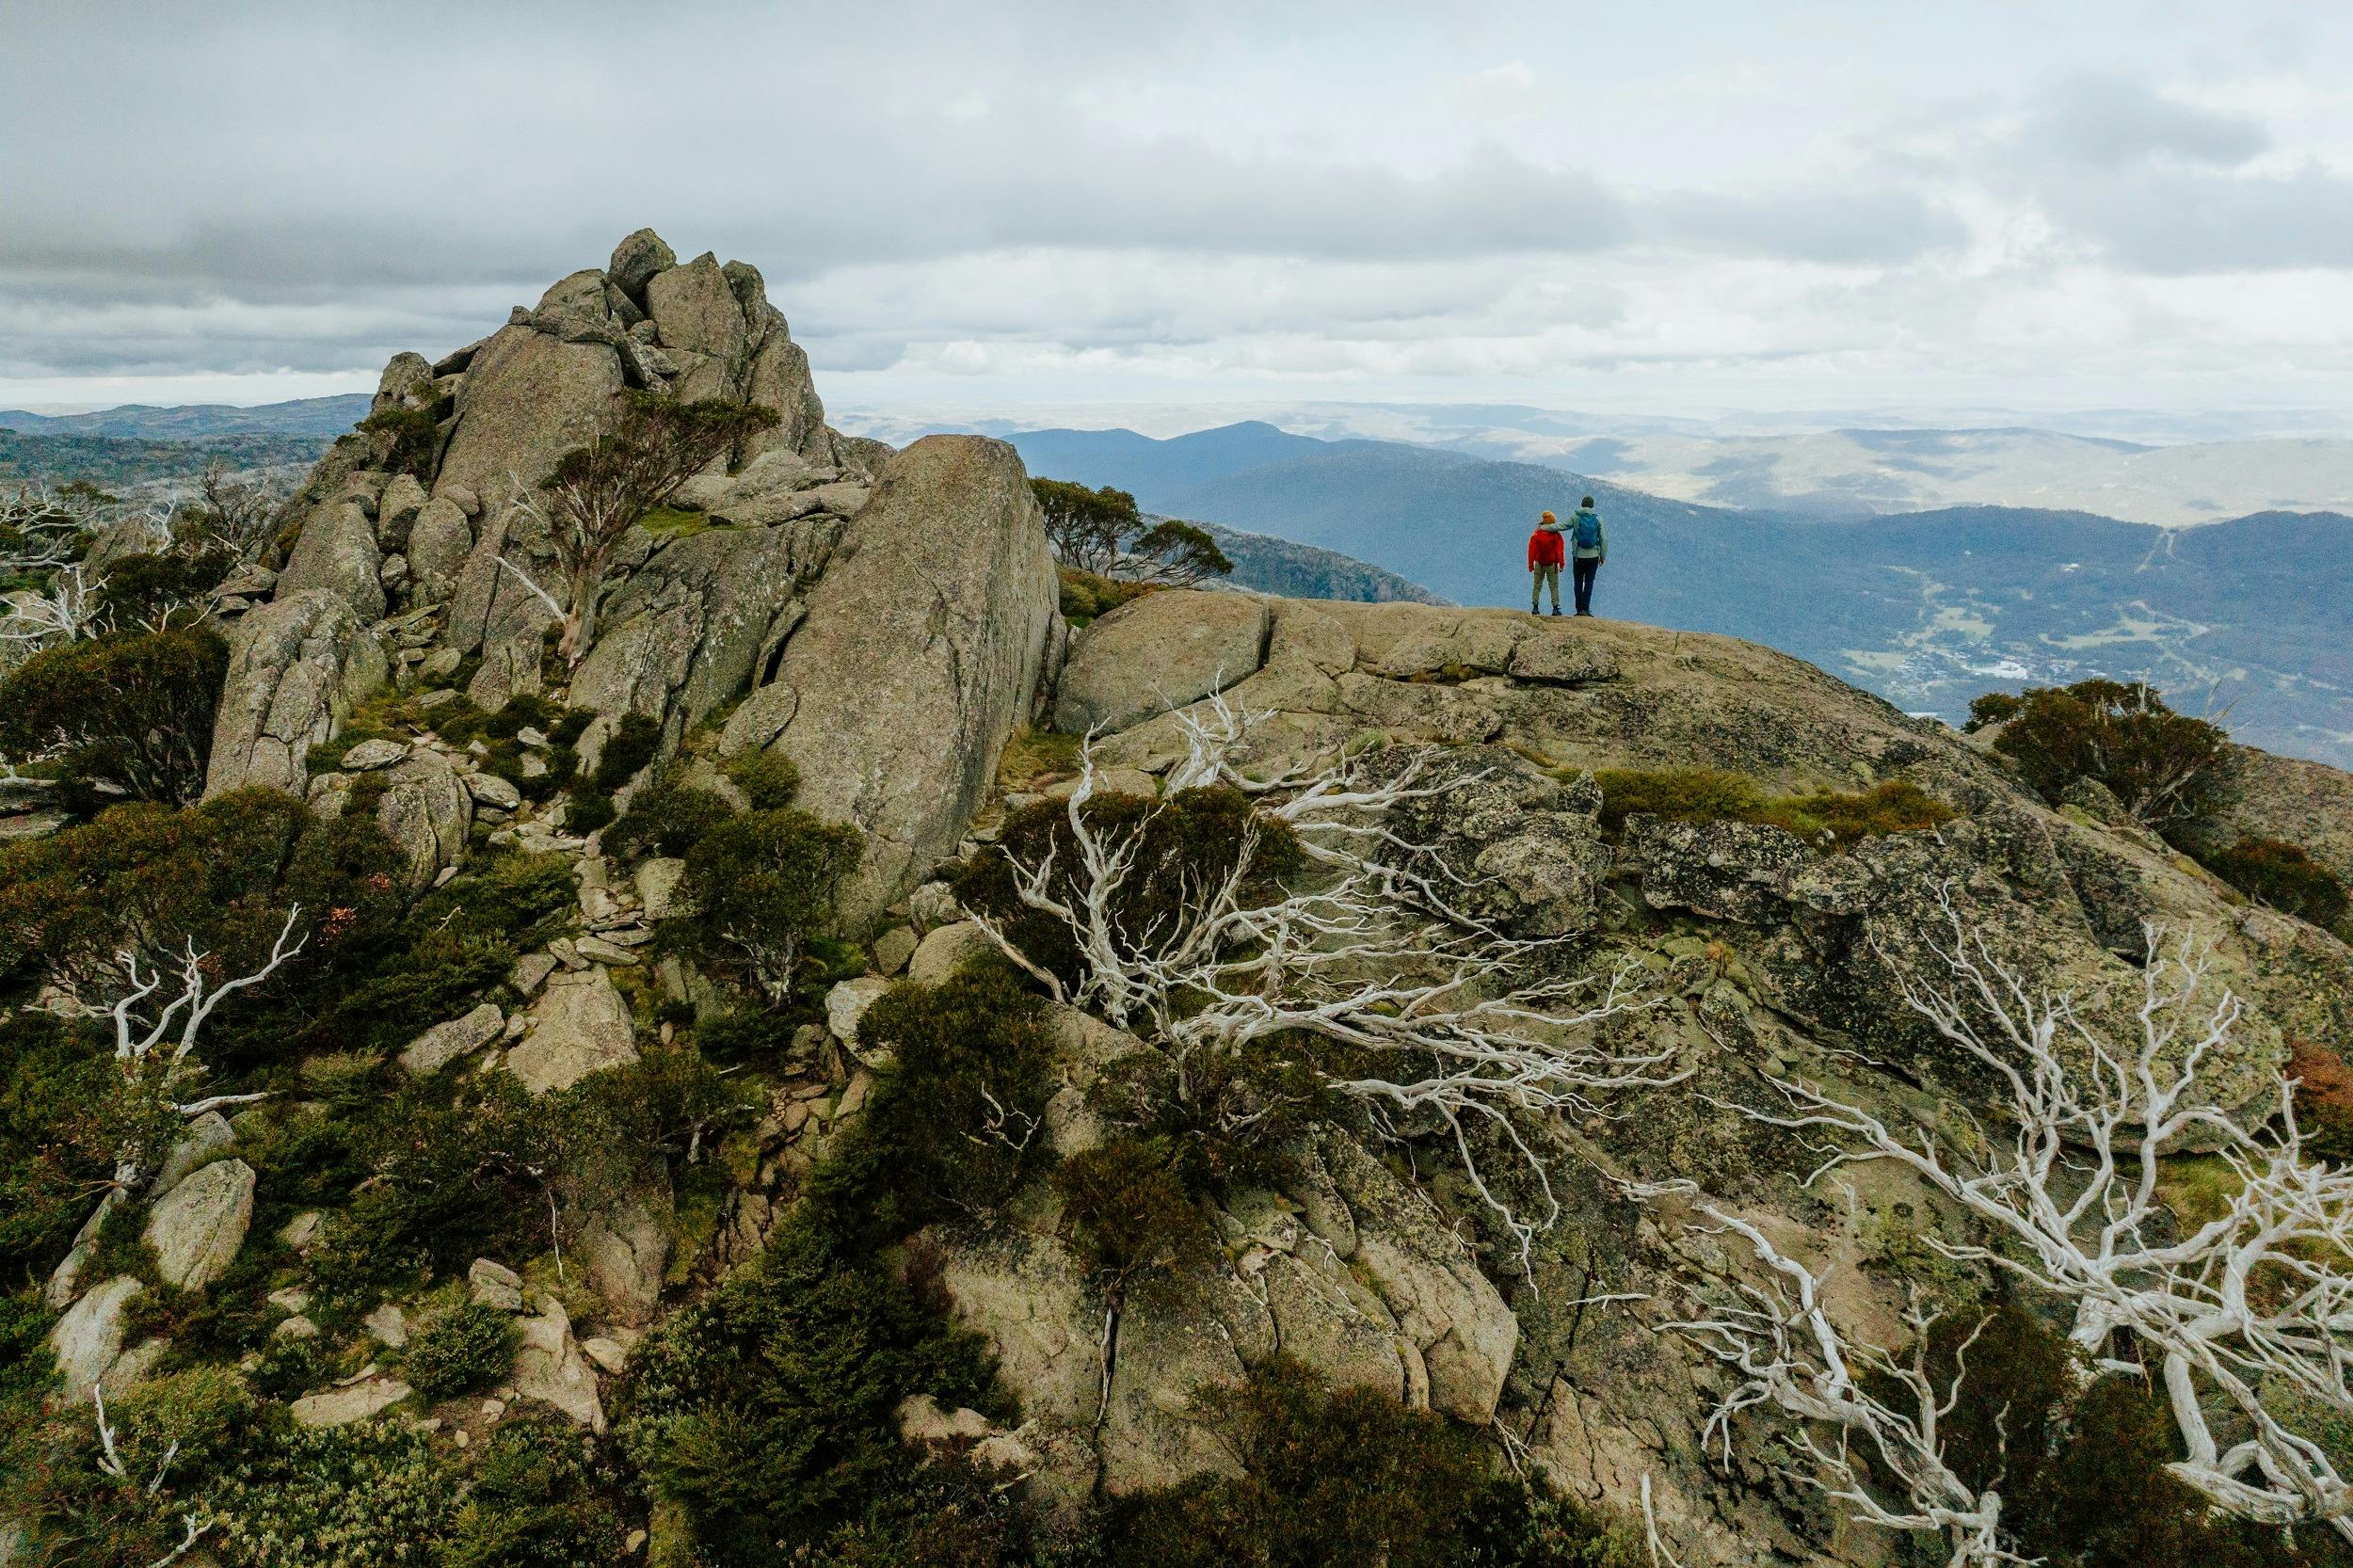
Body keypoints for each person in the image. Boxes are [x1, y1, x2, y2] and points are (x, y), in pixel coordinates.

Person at [1567, 495, 1607, 616]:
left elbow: (1562, 526)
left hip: (1578, 556)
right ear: (1592, 505)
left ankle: (1579, 609)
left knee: (1578, 581)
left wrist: (1546, 527)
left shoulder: (1575, 517)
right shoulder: (1598, 519)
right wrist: (1602, 556)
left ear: (1582, 504)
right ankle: (1585, 609)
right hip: (1593, 556)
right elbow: (1604, 539)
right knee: (1589, 582)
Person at [1528, 509, 1565, 616]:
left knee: (1537, 585)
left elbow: (1531, 550)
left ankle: (1535, 607)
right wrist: (1561, 563)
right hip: (1552, 565)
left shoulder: (1536, 534)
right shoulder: (1556, 536)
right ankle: (1555, 608)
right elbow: (1559, 551)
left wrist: (1531, 565)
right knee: (1554, 586)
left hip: (1539, 563)